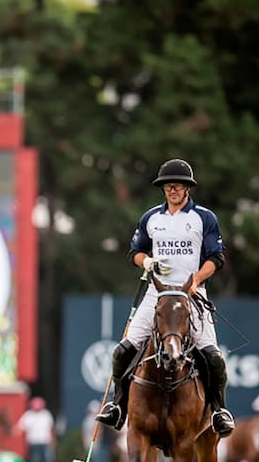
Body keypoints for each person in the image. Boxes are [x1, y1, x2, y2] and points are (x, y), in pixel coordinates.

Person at [95, 159, 234, 438]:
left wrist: (195, 280)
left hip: (191, 295)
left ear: (187, 189)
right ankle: (118, 405)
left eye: (178, 185)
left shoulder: (204, 218)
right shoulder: (151, 219)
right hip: (156, 294)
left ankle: (219, 410)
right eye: (168, 185)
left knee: (213, 356)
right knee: (123, 350)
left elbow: (215, 258)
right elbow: (134, 251)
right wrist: (146, 262)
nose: (172, 189)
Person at [15, 397, 56, 462]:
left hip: (45, 441)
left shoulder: (46, 414)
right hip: (33, 442)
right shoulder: (28, 415)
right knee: (34, 461)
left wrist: (53, 440)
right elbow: (20, 428)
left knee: (47, 460)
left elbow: (50, 429)